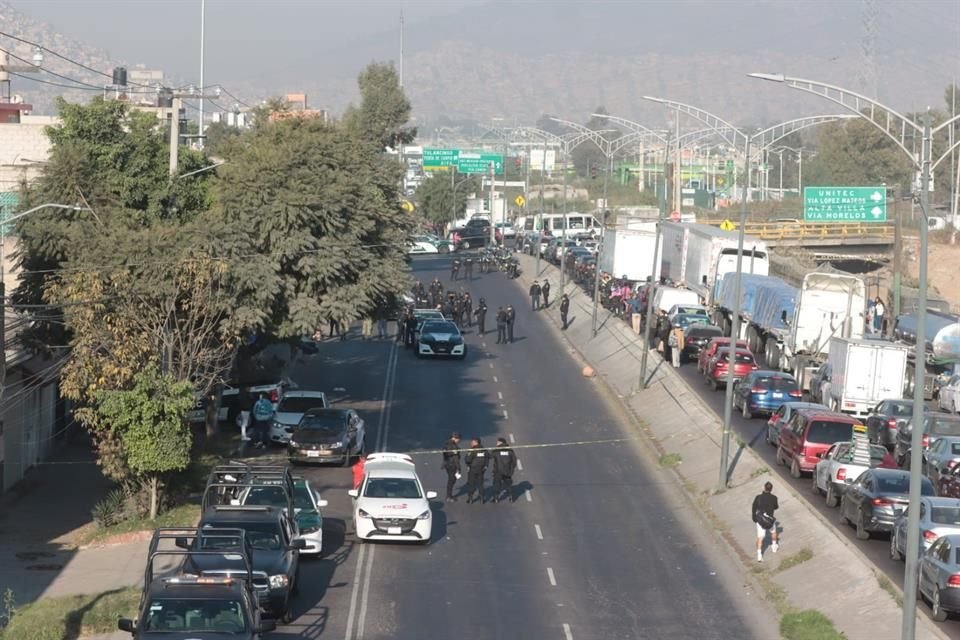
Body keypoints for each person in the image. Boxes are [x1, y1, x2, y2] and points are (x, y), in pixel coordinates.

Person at [751, 481, 780, 562]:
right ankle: (774, 546)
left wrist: (754, 518)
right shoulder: (774, 498)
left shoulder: (758, 497)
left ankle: (759, 555)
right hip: (770, 519)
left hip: (760, 520)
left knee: (760, 537)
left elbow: (754, 508)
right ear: (771, 489)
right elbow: (776, 507)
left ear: (764, 488)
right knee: (773, 532)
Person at [492, 437, 518, 503]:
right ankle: (511, 497)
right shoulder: (510, 450)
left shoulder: (497, 450)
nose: (496, 443)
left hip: (498, 471)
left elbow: (490, 456)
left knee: (496, 484)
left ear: (501, 442)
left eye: (497, 442)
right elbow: (514, 461)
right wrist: (511, 470)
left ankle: (496, 498)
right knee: (508, 484)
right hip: (508, 471)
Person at [464, 438, 489, 504]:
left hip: (472, 469)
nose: (471, 444)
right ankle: (482, 498)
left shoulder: (472, 450)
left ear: (476, 443)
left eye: (472, 442)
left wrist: (467, 458)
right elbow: (487, 458)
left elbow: (468, 460)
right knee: (480, 484)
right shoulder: (484, 450)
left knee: (471, 484)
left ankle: (470, 498)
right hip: (481, 469)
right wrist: (486, 466)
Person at [442, 432, 462, 502]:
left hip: (453, 464)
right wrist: (453, 452)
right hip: (450, 464)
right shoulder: (448, 443)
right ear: (455, 438)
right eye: (458, 439)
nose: (458, 441)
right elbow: (445, 453)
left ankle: (449, 495)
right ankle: (448, 496)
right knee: (451, 480)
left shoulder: (453, 444)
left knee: (453, 480)